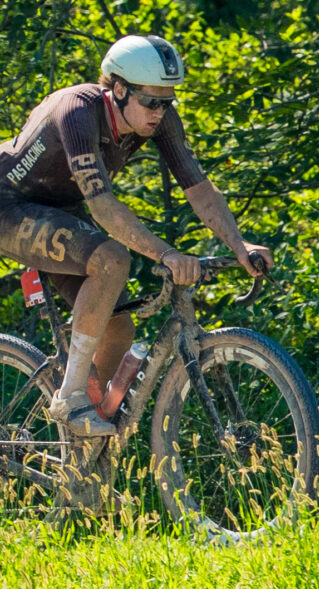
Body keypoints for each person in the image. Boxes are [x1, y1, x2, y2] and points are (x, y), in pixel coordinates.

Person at [0, 35, 271, 436]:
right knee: (112, 259)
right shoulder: (77, 110)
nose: (160, 112)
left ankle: (83, 438)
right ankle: (69, 398)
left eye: (168, 102)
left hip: (61, 209)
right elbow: (103, 208)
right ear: (119, 89)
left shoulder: (157, 119)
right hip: (9, 205)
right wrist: (167, 254)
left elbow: (199, 189)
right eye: (151, 102)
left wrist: (239, 244)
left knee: (119, 329)